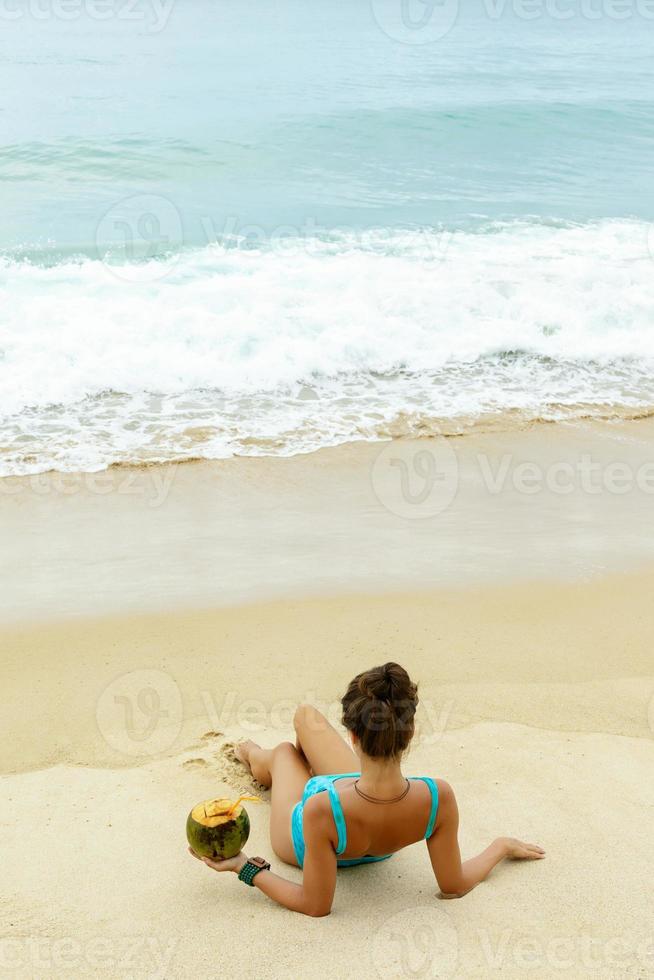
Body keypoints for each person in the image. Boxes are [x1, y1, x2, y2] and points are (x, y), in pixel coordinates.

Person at [188, 662, 544, 916]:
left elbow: (315, 905)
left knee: (283, 753)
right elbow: (454, 884)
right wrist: (500, 846)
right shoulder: (438, 797)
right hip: (364, 820)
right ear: (411, 733)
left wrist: (243, 866)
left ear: (353, 736)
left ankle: (252, 755)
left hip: (307, 835)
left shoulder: (318, 811)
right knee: (306, 717)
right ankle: (283, 764)